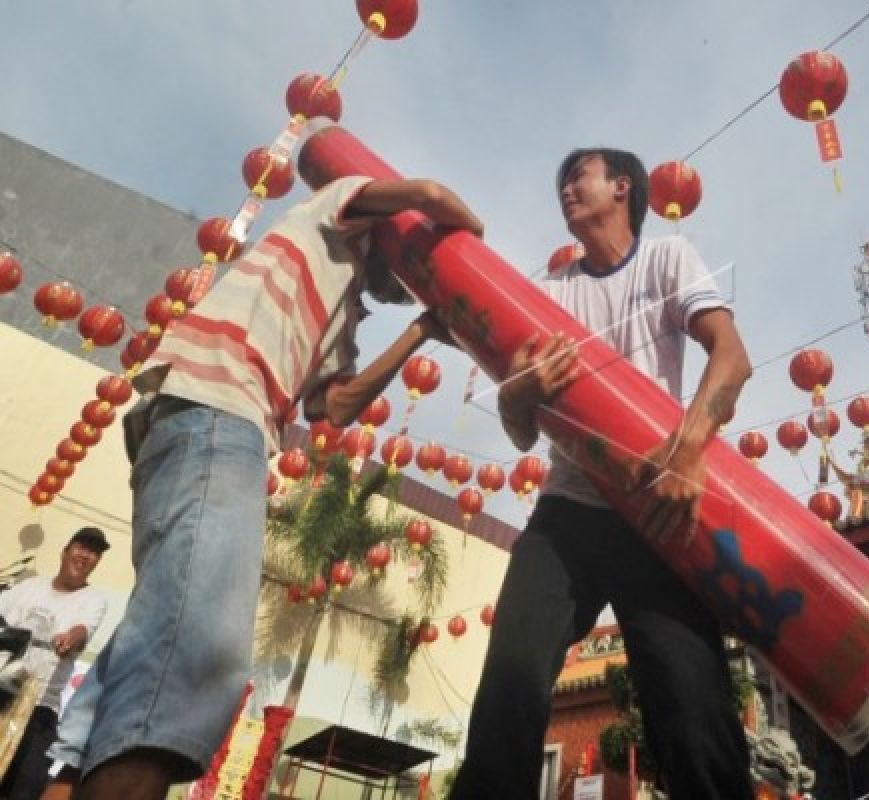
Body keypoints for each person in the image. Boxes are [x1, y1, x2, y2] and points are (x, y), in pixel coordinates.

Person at [41, 174, 482, 800]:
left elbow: (336, 408)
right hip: (218, 409)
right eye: (413, 272)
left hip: (205, 421)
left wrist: (420, 334)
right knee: (199, 649)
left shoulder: (345, 307)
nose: (410, 290)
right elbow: (432, 196)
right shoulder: (333, 216)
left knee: (162, 624)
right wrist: (472, 255)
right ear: (396, 242)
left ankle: (64, 774)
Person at [450, 149, 755, 799]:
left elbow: (731, 357)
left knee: (693, 712)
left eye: (576, 176)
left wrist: (690, 448)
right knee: (510, 677)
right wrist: (519, 390)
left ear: (622, 187)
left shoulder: (666, 259)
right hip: (568, 513)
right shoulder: (550, 295)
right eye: (559, 180)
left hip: (658, 512)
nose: (564, 188)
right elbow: (519, 423)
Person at [0, 528, 108, 800]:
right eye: (81, 547)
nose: (85, 555)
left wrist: (72, 638)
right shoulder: (28, 588)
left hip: (40, 708)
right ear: (65, 551)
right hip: (3, 696)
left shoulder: (93, 600)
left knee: (26, 787)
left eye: (94, 552)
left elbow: (82, 630)